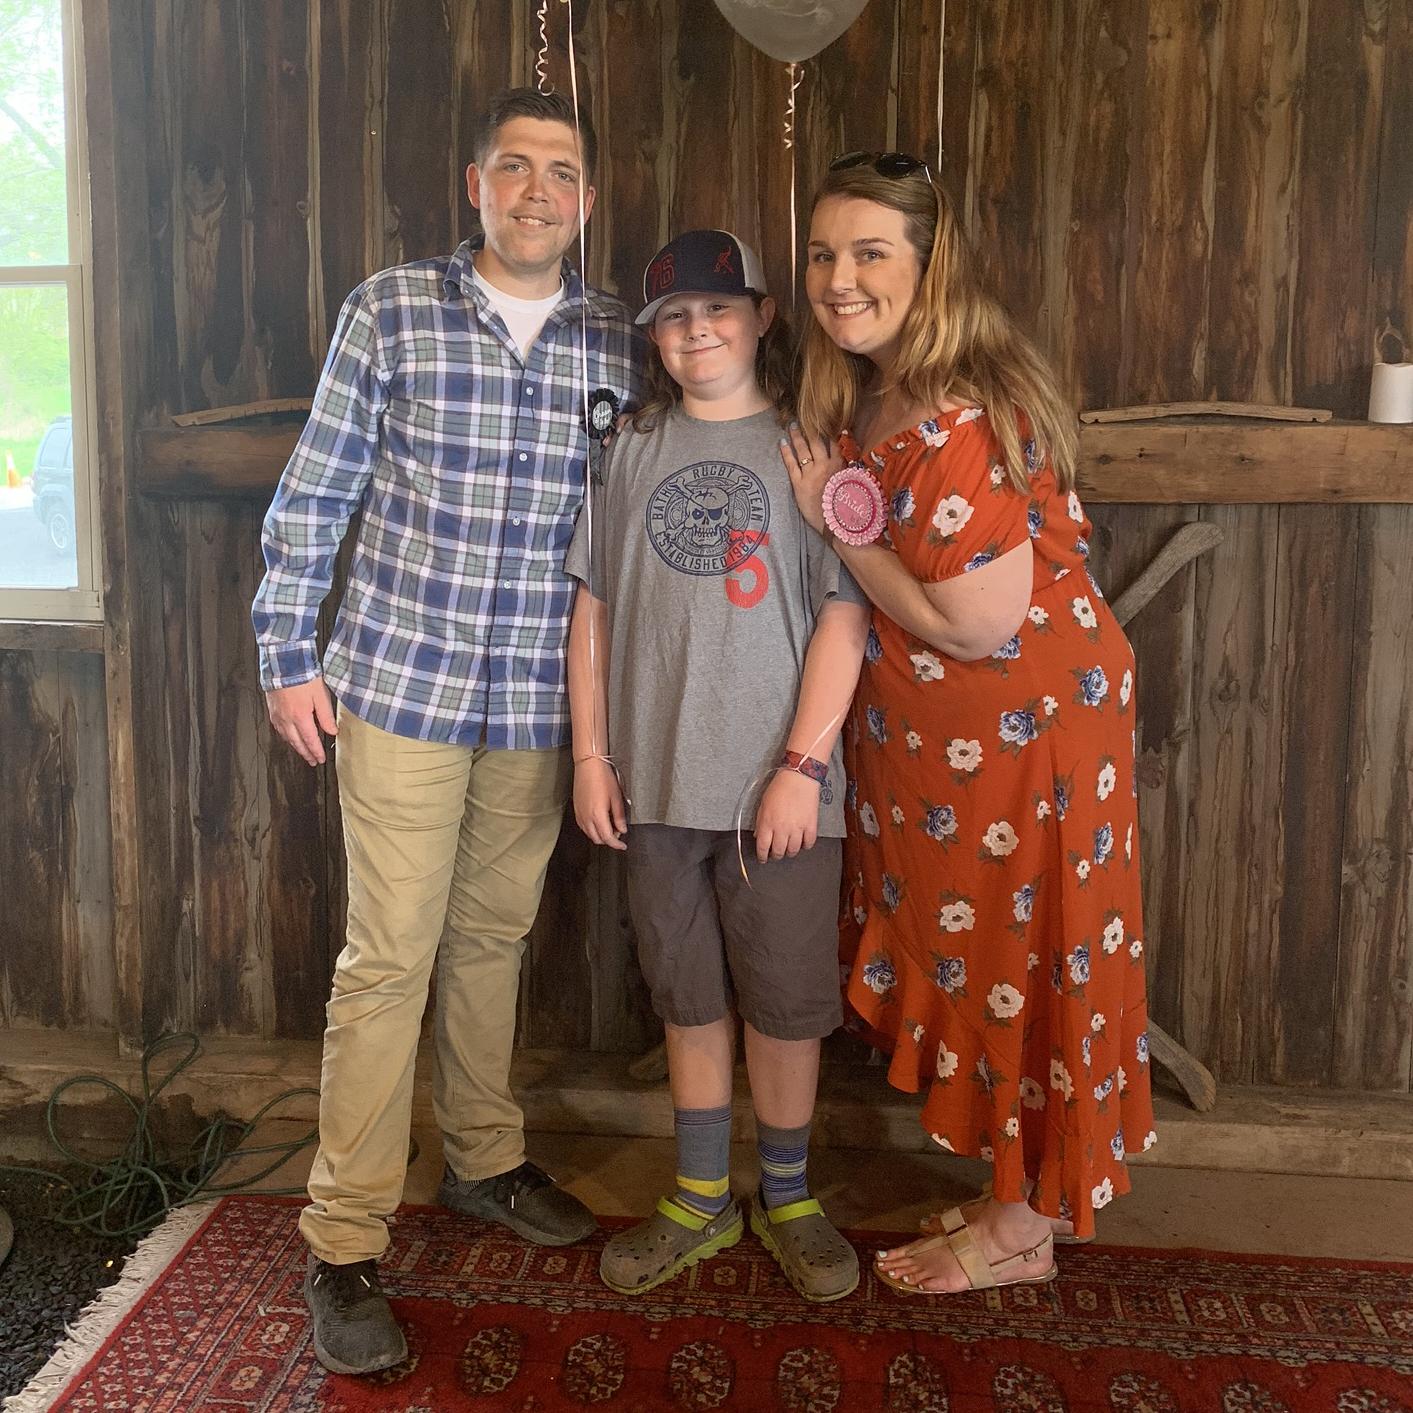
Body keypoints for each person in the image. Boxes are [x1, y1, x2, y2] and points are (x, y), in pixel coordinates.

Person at [250, 88, 641, 1374]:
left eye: (562, 173)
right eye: (515, 167)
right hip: (400, 688)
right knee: (387, 960)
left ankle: (484, 1159)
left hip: (536, 703)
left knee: (492, 940)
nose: (538, 191)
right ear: (475, 184)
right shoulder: (392, 310)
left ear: (587, 200)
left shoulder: (616, 340)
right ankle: (344, 1241)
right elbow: (318, 490)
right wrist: (286, 653)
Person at [780, 151, 1156, 1295]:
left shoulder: (958, 414)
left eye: (871, 253)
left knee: (1020, 964)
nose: (840, 279)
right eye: (823, 254)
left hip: (1023, 743)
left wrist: (839, 529)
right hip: (957, 749)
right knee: (995, 958)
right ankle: (1017, 1195)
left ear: (931, 265)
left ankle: (1021, 1232)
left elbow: (977, 623)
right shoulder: (884, 386)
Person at [566, 230, 870, 1302]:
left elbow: (844, 615)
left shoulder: (809, 450)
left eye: (717, 310)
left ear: (761, 316)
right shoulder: (629, 450)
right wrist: (592, 755)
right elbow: (592, 609)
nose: (697, 331)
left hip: (777, 794)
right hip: (654, 784)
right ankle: (700, 1198)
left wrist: (803, 766)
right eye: (674, 319)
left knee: (785, 1001)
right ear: (653, 338)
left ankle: (787, 1197)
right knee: (687, 995)